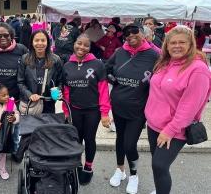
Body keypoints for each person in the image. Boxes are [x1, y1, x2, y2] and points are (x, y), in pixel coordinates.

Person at [145, 25, 211, 194]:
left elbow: (189, 107)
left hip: (175, 129)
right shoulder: (164, 62)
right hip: (153, 125)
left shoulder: (198, 69)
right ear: (166, 45)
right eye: (172, 42)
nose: (176, 46)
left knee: (160, 165)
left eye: (182, 42)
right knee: (157, 163)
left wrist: (170, 130)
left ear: (191, 44)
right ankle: (160, 189)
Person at [105, 23, 159, 194]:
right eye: (127, 34)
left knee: (130, 145)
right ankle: (120, 170)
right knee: (120, 140)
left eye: (135, 32)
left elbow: (164, 76)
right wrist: (114, 80)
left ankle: (134, 175)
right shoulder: (120, 52)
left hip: (138, 109)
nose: (131, 36)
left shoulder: (154, 54)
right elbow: (106, 69)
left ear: (143, 34)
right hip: (118, 105)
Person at [62, 34, 111, 185]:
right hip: (74, 110)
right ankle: (76, 163)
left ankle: (88, 167)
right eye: (79, 43)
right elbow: (66, 91)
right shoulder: (67, 65)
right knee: (75, 139)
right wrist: (66, 110)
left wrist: (104, 113)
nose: (81, 47)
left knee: (89, 139)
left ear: (90, 48)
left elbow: (103, 90)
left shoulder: (97, 64)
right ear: (74, 43)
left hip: (92, 111)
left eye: (86, 45)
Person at [0, 22, 28, 154]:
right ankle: (2, 151)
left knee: (13, 125)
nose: (2, 38)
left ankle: (15, 150)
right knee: (1, 125)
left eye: (6, 35)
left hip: (12, 99)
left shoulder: (21, 50)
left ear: (12, 36)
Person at [18, 29, 63, 114]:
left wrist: (59, 90)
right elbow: (20, 82)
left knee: (47, 127)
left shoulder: (56, 59)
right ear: (32, 42)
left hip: (49, 103)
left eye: (43, 40)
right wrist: (29, 95)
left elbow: (60, 81)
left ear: (47, 42)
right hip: (30, 104)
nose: (40, 43)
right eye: (36, 40)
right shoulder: (25, 58)